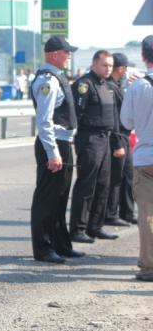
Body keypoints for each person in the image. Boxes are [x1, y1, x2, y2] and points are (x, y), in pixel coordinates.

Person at [29, 35, 85, 264]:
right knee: (47, 198)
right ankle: (43, 248)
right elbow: (44, 121)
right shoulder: (47, 81)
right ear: (54, 54)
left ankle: (60, 244)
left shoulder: (57, 78)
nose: (69, 55)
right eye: (66, 51)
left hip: (62, 142)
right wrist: (53, 153)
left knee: (60, 197)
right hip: (52, 144)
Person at [69, 50, 117, 243]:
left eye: (110, 66)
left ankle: (95, 226)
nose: (108, 69)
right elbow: (76, 114)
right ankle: (77, 229)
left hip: (105, 138)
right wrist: (77, 138)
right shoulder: (84, 84)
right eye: (105, 65)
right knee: (86, 185)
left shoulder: (106, 85)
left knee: (103, 185)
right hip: (89, 138)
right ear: (94, 64)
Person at [120, 35, 153, 281]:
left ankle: (149, 266)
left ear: (143, 57)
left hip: (145, 157)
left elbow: (126, 122)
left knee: (147, 216)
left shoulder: (137, 86)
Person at [105, 53, 137, 227]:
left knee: (128, 176)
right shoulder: (109, 87)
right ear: (120, 68)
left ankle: (127, 212)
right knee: (116, 178)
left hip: (124, 136)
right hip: (118, 137)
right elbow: (115, 118)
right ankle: (110, 214)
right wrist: (118, 143)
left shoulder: (116, 85)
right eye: (125, 68)